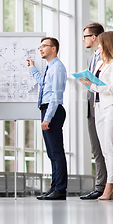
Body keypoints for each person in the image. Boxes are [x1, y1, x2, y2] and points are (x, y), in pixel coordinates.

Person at [79, 31, 113, 200]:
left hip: (110, 108)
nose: (99, 46)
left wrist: (93, 86)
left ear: (108, 44)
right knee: (104, 149)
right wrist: (87, 83)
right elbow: (96, 85)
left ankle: (110, 185)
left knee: (110, 147)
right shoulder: (100, 64)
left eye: (102, 43)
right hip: (98, 108)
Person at [27, 37, 68, 200]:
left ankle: (60, 189)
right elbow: (45, 86)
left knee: (56, 152)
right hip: (47, 110)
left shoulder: (57, 67)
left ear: (54, 49)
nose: (41, 49)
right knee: (52, 153)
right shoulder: (50, 68)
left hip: (53, 111)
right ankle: (54, 188)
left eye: (44, 46)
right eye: (40, 46)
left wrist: (48, 118)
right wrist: (33, 70)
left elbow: (56, 96)